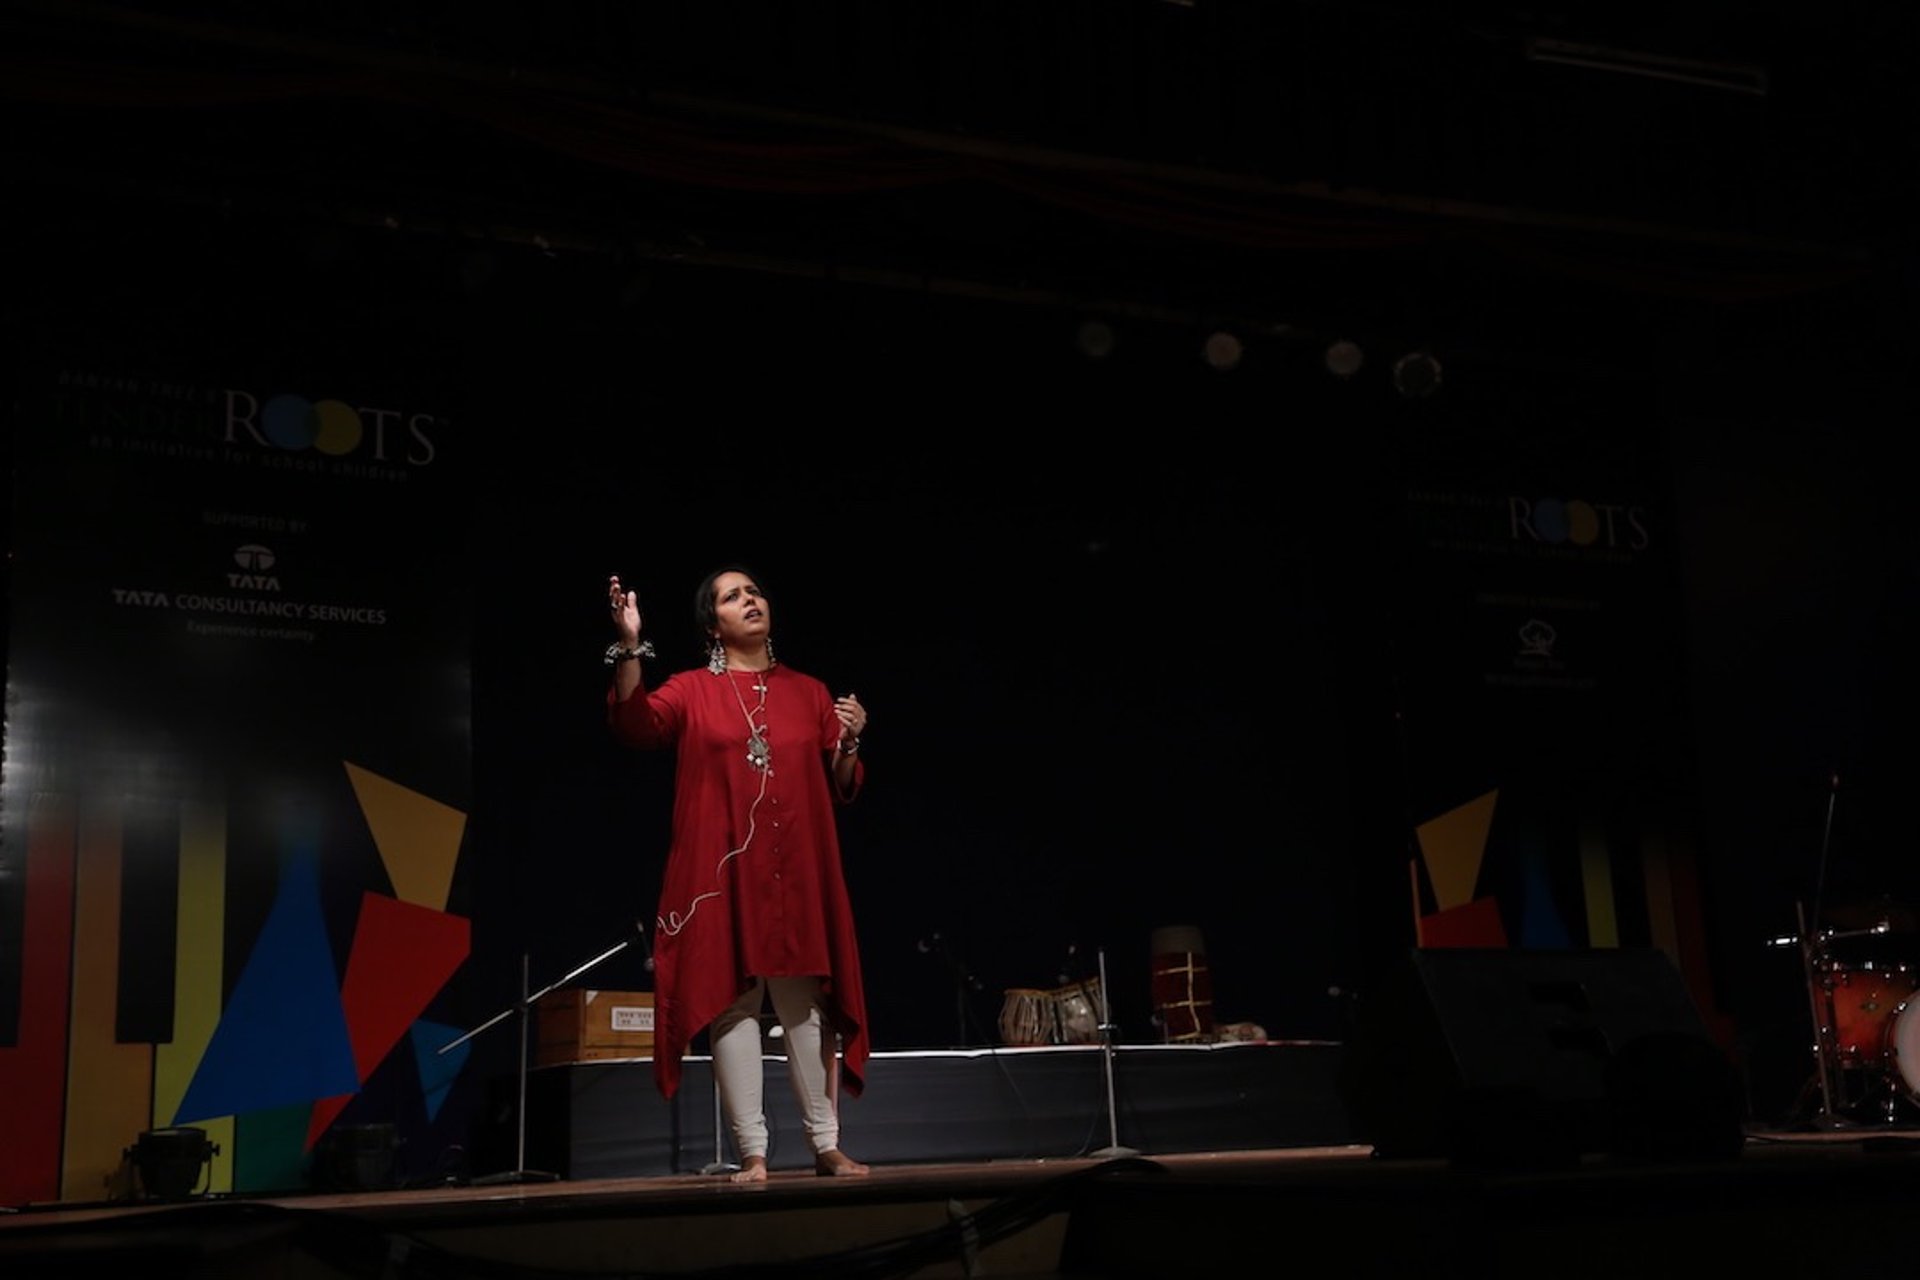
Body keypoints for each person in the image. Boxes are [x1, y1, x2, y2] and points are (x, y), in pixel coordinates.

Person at [604, 565, 872, 1180]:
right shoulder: (692, 689)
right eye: (732, 596)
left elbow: (842, 782)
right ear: (712, 625)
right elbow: (635, 725)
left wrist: (851, 742)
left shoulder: (809, 692)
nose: (750, 600)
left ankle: (826, 1145)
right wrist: (629, 644)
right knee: (732, 1001)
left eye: (754, 592)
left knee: (805, 1002)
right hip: (719, 874)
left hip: (798, 871)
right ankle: (753, 1152)